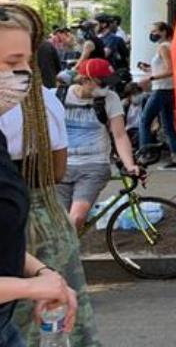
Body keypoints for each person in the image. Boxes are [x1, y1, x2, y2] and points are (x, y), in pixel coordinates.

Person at [0, 2, 78, 346]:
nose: (25, 75)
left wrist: (42, 273)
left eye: (27, 62)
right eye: (12, 63)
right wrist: (29, 286)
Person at [0, 4, 102, 346]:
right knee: (58, 327)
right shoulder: (43, 101)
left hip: (3, 226)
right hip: (47, 219)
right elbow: (56, 170)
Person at [57, 58, 142, 232]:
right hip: (60, 166)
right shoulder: (58, 96)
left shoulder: (110, 99)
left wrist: (130, 164)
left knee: (76, 218)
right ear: (85, 80)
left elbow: (119, 135)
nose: (107, 88)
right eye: (102, 83)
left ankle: (65, 255)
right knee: (58, 223)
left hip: (94, 165)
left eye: (109, 83)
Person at [137, 21, 176, 170]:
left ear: (163, 32)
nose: (153, 34)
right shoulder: (169, 46)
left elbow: (171, 70)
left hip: (162, 89)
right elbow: (165, 69)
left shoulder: (164, 47)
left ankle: (145, 154)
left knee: (145, 119)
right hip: (168, 88)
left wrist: (150, 78)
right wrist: (149, 70)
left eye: (155, 30)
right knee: (168, 123)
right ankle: (175, 157)